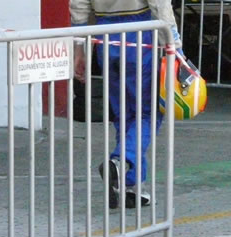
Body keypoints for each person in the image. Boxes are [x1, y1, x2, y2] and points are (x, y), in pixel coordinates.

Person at [70, 0, 182, 209]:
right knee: (149, 113)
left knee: (123, 113)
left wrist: (79, 47)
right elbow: (159, 4)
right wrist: (174, 45)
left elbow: (79, 4)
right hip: (140, 33)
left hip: (106, 34)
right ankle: (122, 161)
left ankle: (132, 186)